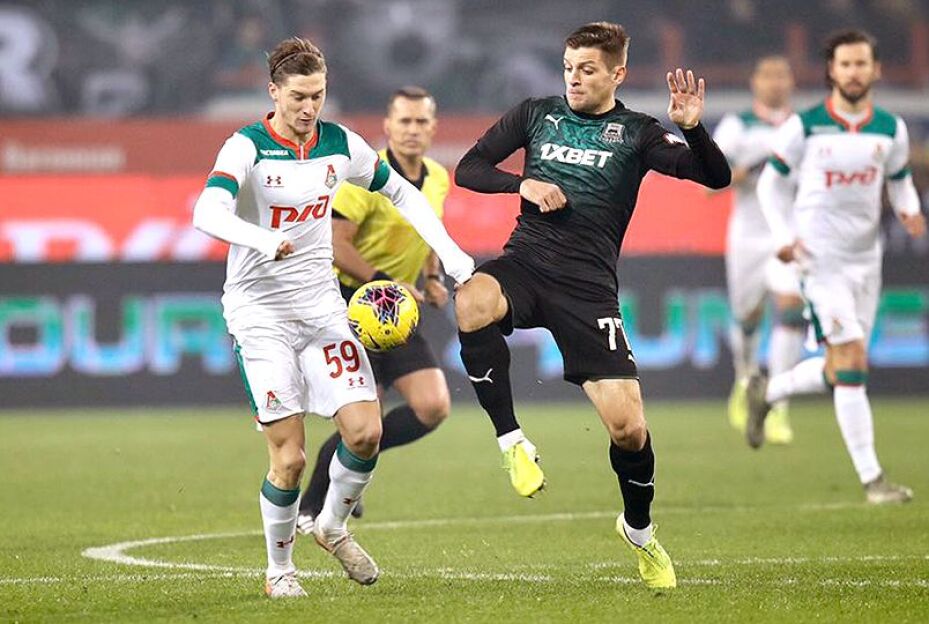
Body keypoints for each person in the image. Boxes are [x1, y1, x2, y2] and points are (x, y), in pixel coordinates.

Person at [192, 37, 473, 598]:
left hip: (323, 309)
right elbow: (207, 211)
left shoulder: (341, 144)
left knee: (366, 433)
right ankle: (279, 571)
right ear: (273, 92)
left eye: (317, 95)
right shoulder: (246, 147)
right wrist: (262, 239)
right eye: (298, 96)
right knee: (290, 458)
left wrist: (453, 255)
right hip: (260, 315)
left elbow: (404, 195)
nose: (308, 107)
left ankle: (331, 526)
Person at [454, 22, 730, 589]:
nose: (574, 79)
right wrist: (521, 185)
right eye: (568, 68)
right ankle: (512, 442)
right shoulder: (536, 114)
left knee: (628, 428)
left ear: (617, 73)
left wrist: (692, 129)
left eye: (587, 69)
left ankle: (639, 531)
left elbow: (714, 176)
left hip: (588, 288)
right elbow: (469, 169)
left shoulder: (637, 133)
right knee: (472, 299)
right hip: (527, 263)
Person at [749, 30, 925, 504]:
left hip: (866, 261)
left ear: (876, 69)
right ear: (832, 70)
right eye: (845, 64)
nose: (853, 72)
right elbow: (769, 186)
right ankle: (873, 480)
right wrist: (784, 237)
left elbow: (900, 181)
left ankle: (770, 391)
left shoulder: (890, 128)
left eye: (861, 63)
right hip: (818, 260)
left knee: (840, 367)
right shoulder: (805, 126)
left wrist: (909, 209)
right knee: (851, 360)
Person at [295, 86, 452, 534]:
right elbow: (335, 242)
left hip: (395, 309)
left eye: (421, 121)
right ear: (387, 127)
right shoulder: (367, 177)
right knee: (362, 423)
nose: (412, 130)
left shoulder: (438, 178)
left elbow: (428, 232)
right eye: (404, 121)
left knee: (433, 406)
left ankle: (355, 467)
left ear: (433, 128)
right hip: (350, 304)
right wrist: (385, 281)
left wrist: (433, 277)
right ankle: (310, 508)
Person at [713, 56, 805, 444]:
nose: (775, 82)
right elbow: (711, 182)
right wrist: (744, 172)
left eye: (782, 75)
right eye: (768, 75)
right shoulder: (737, 126)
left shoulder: (804, 127)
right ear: (755, 82)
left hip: (788, 235)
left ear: (792, 82)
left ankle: (778, 403)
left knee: (791, 306)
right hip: (748, 237)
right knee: (747, 314)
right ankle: (745, 377)